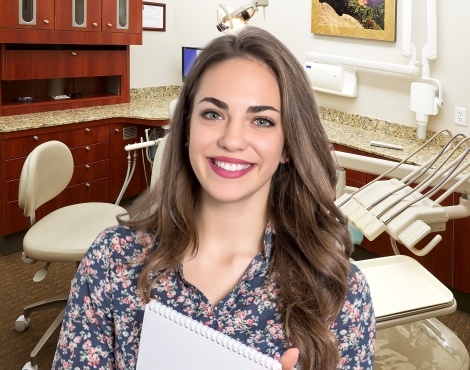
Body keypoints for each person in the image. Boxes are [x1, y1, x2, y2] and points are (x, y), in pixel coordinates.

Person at [52, 26, 375, 370]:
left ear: (288, 146)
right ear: (187, 130)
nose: (232, 139)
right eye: (213, 114)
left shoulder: (338, 292)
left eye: (262, 121)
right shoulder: (113, 261)